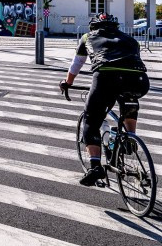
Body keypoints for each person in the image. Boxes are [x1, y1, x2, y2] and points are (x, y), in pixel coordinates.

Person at [59, 14, 150, 187]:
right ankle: (130, 139)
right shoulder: (131, 40)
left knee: (91, 120)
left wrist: (67, 82)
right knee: (129, 102)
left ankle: (95, 167)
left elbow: (77, 64)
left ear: (93, 27)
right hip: (139, 80)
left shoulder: (87, 37)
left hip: (106, 78)